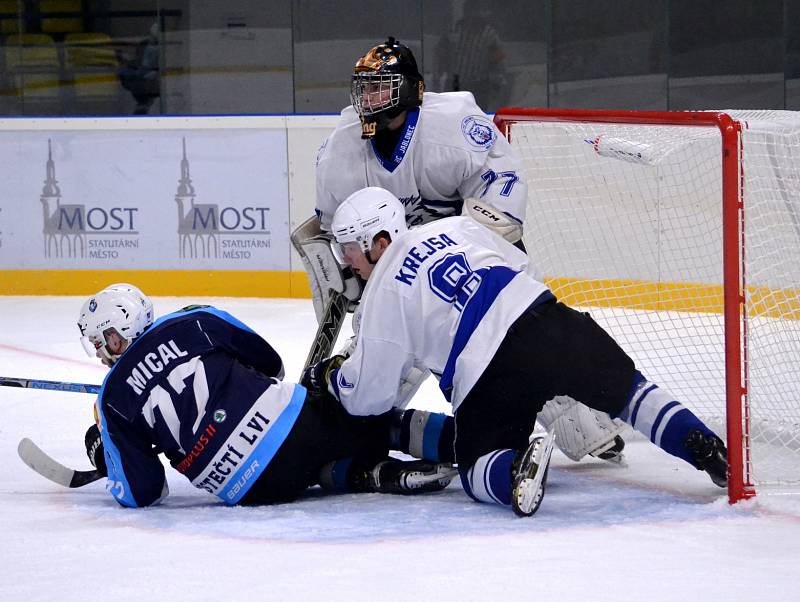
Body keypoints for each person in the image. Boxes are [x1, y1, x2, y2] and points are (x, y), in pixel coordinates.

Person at [294, 35, 627, 464]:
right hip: (400, 282)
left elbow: (503, 196)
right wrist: (349, 278)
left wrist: (458, 253)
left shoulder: (451, 127)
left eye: (382, 86)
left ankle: (593, 420)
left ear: (412, 89)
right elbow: (329, 232)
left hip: (468, 275)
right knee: (365, 389)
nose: (370, 98)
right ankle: (361, 432)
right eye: (365, 88)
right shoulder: (341, 151)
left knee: (529, 363)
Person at [301, 186, 729, 517]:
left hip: (487, 370)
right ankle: (704, 446)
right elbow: (523, 266)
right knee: (629, 393)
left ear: (378, 241)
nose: (345, 261)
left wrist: (334, 376)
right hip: (546, 317)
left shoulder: (382, 293)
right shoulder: (452, 226)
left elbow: (369, 398)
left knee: (474, 470)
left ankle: (514, 471)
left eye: (348, 248)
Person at [77, 283, 455, 508]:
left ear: (116, 334)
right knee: (373, 421)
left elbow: (141, 492)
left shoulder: (111, 400)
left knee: (313, 470)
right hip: (293, 429)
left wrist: (109, 450)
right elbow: (272, 364)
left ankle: (377, 474)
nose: (99, 353)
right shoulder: (196, 319)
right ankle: (464, 440)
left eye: (99, 343)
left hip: (250, 490)